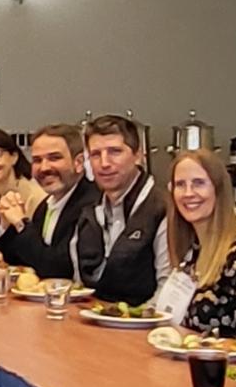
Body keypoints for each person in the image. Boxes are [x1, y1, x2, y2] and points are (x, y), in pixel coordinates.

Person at [151, 144, 236, 344]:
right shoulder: (191, 252)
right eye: (180, 184)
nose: (188, 193)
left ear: (219, 189)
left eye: (198, 183)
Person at [61, 114, 167, 301]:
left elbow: (167, 290)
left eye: (114, 152)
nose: (104, 163)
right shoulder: (87, 212)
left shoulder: (162, 208)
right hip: (91, 321)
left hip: (145, 325)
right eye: (95, 154)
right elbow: (78, 285)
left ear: (138, 156)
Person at [0, 122, 92, 276]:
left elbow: (57, 268)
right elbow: (19, 259)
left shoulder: (91, 205)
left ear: (79, 163)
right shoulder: (46, 206)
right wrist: (6, 224)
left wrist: (21, 224)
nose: (44, 168)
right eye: (37, 160)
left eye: (54, 158)